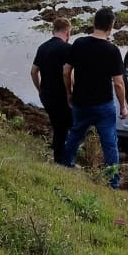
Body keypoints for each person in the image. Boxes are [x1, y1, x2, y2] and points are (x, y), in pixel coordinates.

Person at [61, 7, 128, 188]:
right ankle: (112, 182)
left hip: (81, 101)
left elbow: (66, 71)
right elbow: (118, 83)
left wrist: (69, 92)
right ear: (111, 26)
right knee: (109, 143)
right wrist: (123, 106)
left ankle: (64, 165)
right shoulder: (112, 51)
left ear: (94, 23)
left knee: (75, 135)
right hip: (103, 104)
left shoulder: (79, 43)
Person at [30, 16, 72, 164]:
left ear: (54, 31)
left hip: (46, 94)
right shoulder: (68, 49)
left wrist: (39, 89)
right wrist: (70, 93)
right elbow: (68, 73)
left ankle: (59, 152)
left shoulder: (42, 47)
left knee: (58, 125)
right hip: (61, 95)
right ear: (67, 32)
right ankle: (62, 160)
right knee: (71, 126)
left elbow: (34, 71)